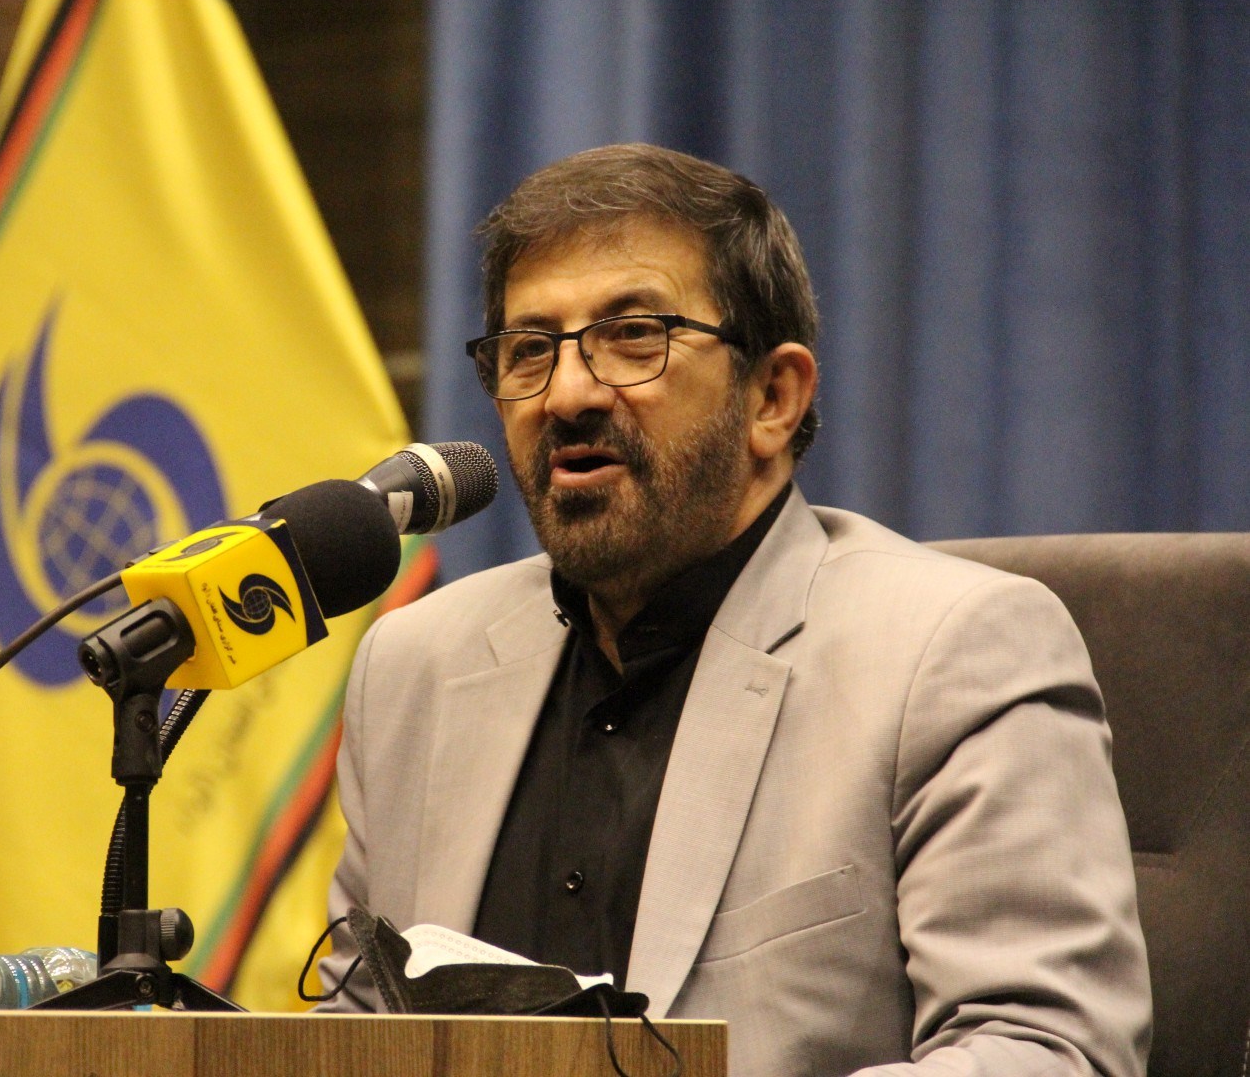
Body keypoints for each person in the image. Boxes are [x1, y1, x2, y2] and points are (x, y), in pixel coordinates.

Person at [316, 143, 1150, 1075]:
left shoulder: (952, 653)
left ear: (773, 398)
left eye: (635, 335)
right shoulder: (414, 666)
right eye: (529, 350)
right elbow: (353, 1036)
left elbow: (1047, 1050)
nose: (568, 393)